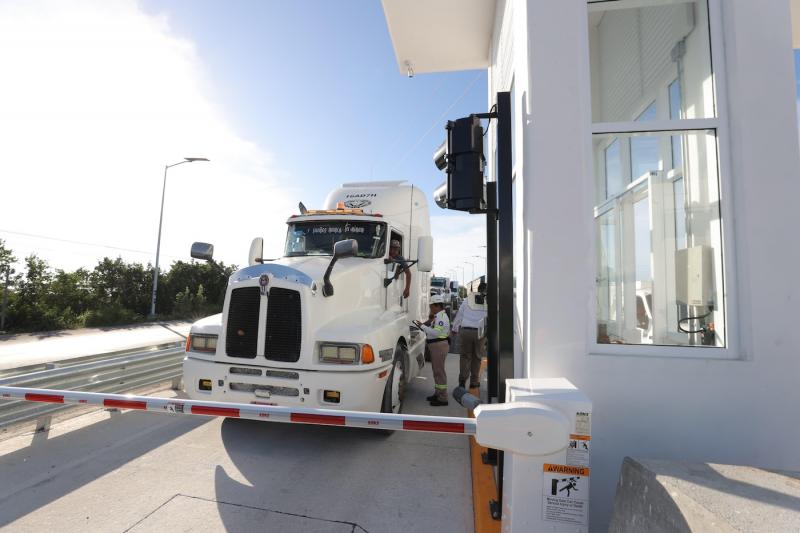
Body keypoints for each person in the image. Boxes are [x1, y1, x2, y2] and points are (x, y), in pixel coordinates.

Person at [414, 294, 450, 406]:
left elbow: (436, 333)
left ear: (437, 306)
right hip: (436, 346)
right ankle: (438, 393)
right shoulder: (438, 316)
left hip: (439, 346)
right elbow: (434, 330)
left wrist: (423, 327)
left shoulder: (441, 317)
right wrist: (423, 325)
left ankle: (443, 398)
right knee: (437, 371)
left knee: (439, 372)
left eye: (431, 306)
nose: (430, 308)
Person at [451, 282, 488, 389]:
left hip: (466, 331)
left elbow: (460, 315)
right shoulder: (487, 301)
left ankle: (462, 382)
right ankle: (474, 382)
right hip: (479, 333)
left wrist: (454, 329)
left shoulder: (468, 300)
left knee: (465, 357)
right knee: (477, 357)